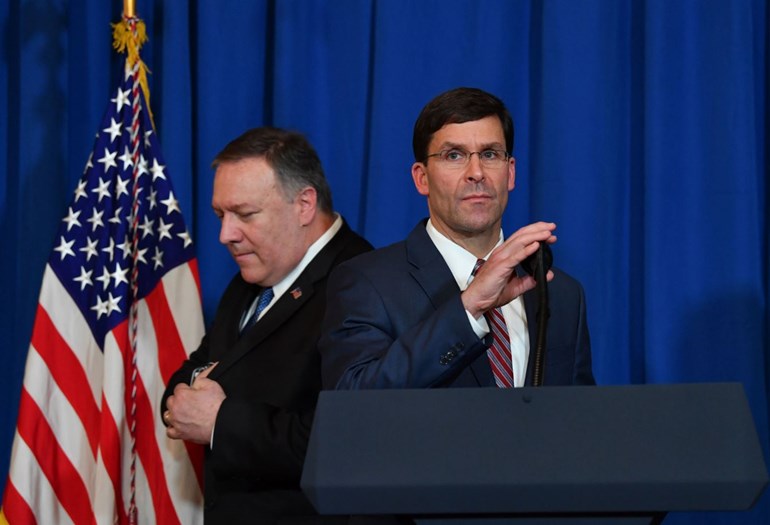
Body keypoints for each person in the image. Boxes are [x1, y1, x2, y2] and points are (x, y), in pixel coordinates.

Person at [161, 127, 372, 524]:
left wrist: (221, 422)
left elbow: (350, 440)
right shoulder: (251, 279)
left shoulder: (362, 283)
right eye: (220, 215)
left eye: (245, 214)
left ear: (304, 204)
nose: (225, 235)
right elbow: (186, 381)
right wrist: (195, 405)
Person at [320, 87, 594, 390]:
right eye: (454, 155)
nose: (476, 172)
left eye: (490, 154)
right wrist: (469, 307)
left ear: (510, 172)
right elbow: (353, 401)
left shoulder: (562, 294)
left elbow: (578, 421)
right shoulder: (366, 283)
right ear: (421, 178)